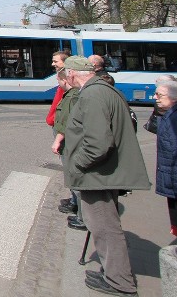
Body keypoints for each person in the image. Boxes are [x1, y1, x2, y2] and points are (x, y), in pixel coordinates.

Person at [62, 56, 151, 296]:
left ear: (72, 74)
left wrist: (77, 165)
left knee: (103, 227)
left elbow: (98, 144)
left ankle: (119, 281)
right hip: (107, 172)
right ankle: (113, 273)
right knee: (105, 225)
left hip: (98, 175)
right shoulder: (105, 90)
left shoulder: (92, 95)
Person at [51, 69, 83, 227]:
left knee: (76, 178)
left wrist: (58, 139)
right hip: (70, 142)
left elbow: (67, 121)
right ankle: (77, 206)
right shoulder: (73, 95)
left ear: (65, 80)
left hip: (71, 143)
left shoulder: (73, 96)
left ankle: (82, 216)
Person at [153, 79, 177, 238]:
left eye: (159, 95)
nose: (155, 97)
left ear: (174, 98)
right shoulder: (170, 115)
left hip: (176, 185)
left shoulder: (176, 119)